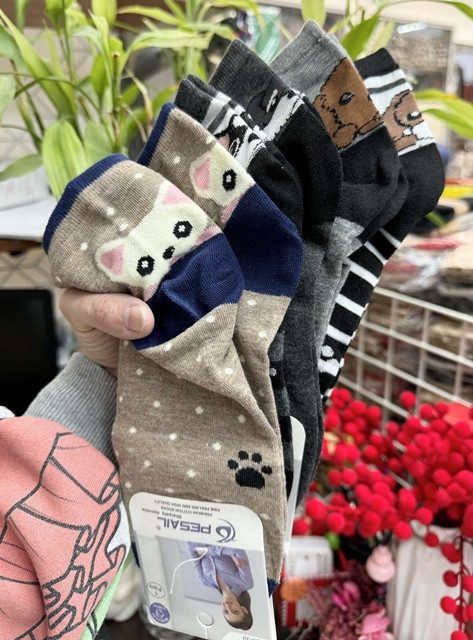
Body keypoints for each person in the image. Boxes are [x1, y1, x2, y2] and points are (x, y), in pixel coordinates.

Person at [187, 543, 254, 630]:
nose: (228, 607)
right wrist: (205, 551)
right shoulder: (245, 582)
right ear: (244, 609)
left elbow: (191, 551)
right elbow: (237, 550)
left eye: (226, 611)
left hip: (195, 538)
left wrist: (226, 552)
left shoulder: (205, 581)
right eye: (235, 611)